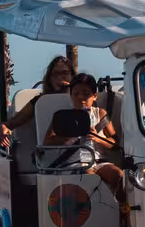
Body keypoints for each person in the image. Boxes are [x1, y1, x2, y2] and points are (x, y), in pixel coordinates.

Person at [42, 73, 127, 218]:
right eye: (76, 94)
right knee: (90, 178)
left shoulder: (100, 114)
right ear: (71, 95)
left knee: (119, 176)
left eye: (86, 94)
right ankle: (99, 217)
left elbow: (114, 143)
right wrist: (65, 138)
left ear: (94, 96)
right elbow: (47, 141)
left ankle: (122, 214)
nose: (81, 98)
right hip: (73, 162)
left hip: (98, 160)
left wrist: (98, 139)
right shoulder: (62, 116)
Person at [5, 57, 74, 131]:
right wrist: (4, 127)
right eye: (55, 74)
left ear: (72, 76)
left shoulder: (80, 98)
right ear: (49, 78)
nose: (60, 77)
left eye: (65, 73)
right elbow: (16, 121)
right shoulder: (40, 101)